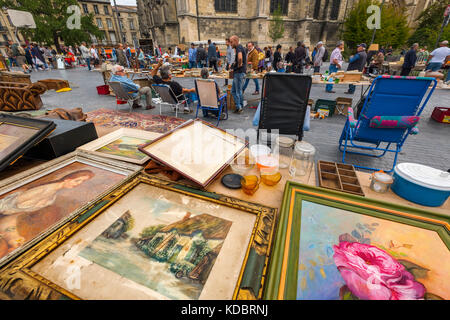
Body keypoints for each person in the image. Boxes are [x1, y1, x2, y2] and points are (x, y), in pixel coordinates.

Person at [0, 170, 94, 255]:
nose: (78, 184)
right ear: (68, 179)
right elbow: (9, 204)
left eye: (82, 181)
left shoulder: (53, 192)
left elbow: (18, 212)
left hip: (11, 220)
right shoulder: (45, 189)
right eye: (77, 180)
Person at [230, 35, 246, 114]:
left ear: (236, 41)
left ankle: (239, 107)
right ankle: (239, 106)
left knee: (238, 91)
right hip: (238, 73)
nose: (230, 44)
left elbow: (240, 58)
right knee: (233, 91)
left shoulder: (239, 47)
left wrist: (239, 65)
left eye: (231, 42)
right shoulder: (239, 48)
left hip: (239, 73)